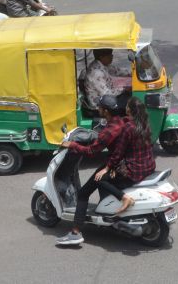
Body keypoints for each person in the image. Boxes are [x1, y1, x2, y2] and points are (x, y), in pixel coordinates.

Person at [55, 95, 130, 246]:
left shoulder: (110, 130)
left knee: (83, 193)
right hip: (122, 161)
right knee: (99, 179)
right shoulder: (120, 121)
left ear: (106, 111)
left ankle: (75, 233)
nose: (98, 109)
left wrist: (73, 145)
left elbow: (91, 151)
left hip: (114, 164)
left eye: (100, 107)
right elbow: (102, 138)